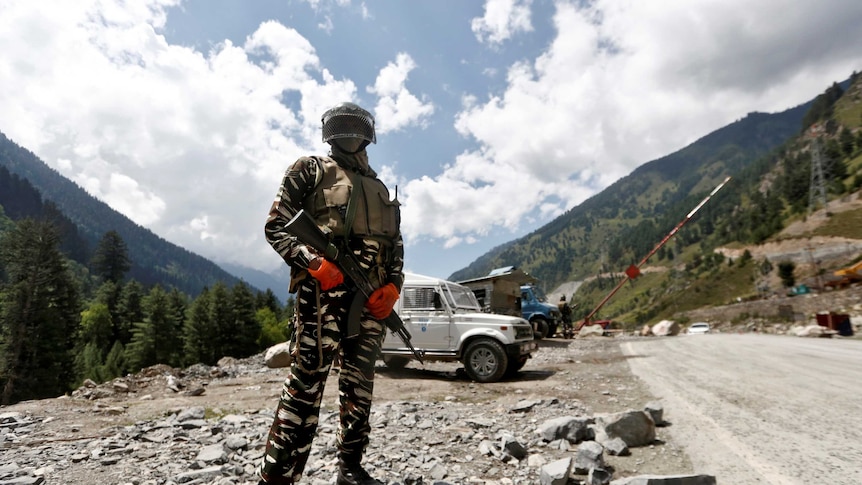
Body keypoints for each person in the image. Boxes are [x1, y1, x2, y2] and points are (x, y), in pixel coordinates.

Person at [258, 102, 404, 485]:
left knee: (360, 386)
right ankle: (277, 477)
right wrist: (311, 262)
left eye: (356, 128)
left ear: (368, 134)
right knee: (305, 385)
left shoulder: (381, 188)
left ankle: (350, 469)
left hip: (371, 300)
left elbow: (395, 247)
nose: (349, 134)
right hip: (323, 295)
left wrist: (393, 287)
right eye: (342, 127)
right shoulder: (309, 169)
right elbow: (276, 225)